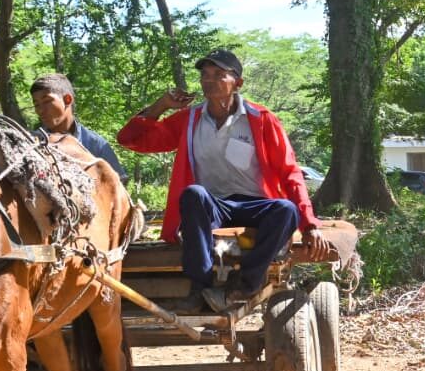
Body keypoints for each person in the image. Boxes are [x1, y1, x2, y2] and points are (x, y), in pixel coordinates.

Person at [117, 49, 330, 312]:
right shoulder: (189, 119)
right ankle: (201, 287)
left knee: (286, 210)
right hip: (213, 206)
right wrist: (160, 105)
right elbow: (130, 139)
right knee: (193, 193)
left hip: (255, 206)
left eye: (219, 74)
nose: (209, 80)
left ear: (237, 83)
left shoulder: (261, 119)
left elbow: (290, 172)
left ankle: (246, 284)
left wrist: (310, 225)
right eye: (205, 75)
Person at [30, 73, 128, 184]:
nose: (40, 110)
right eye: (37, 104)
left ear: (67, 100)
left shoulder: (95, 145)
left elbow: (119, 186)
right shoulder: (32, 143)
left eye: (47, 101)